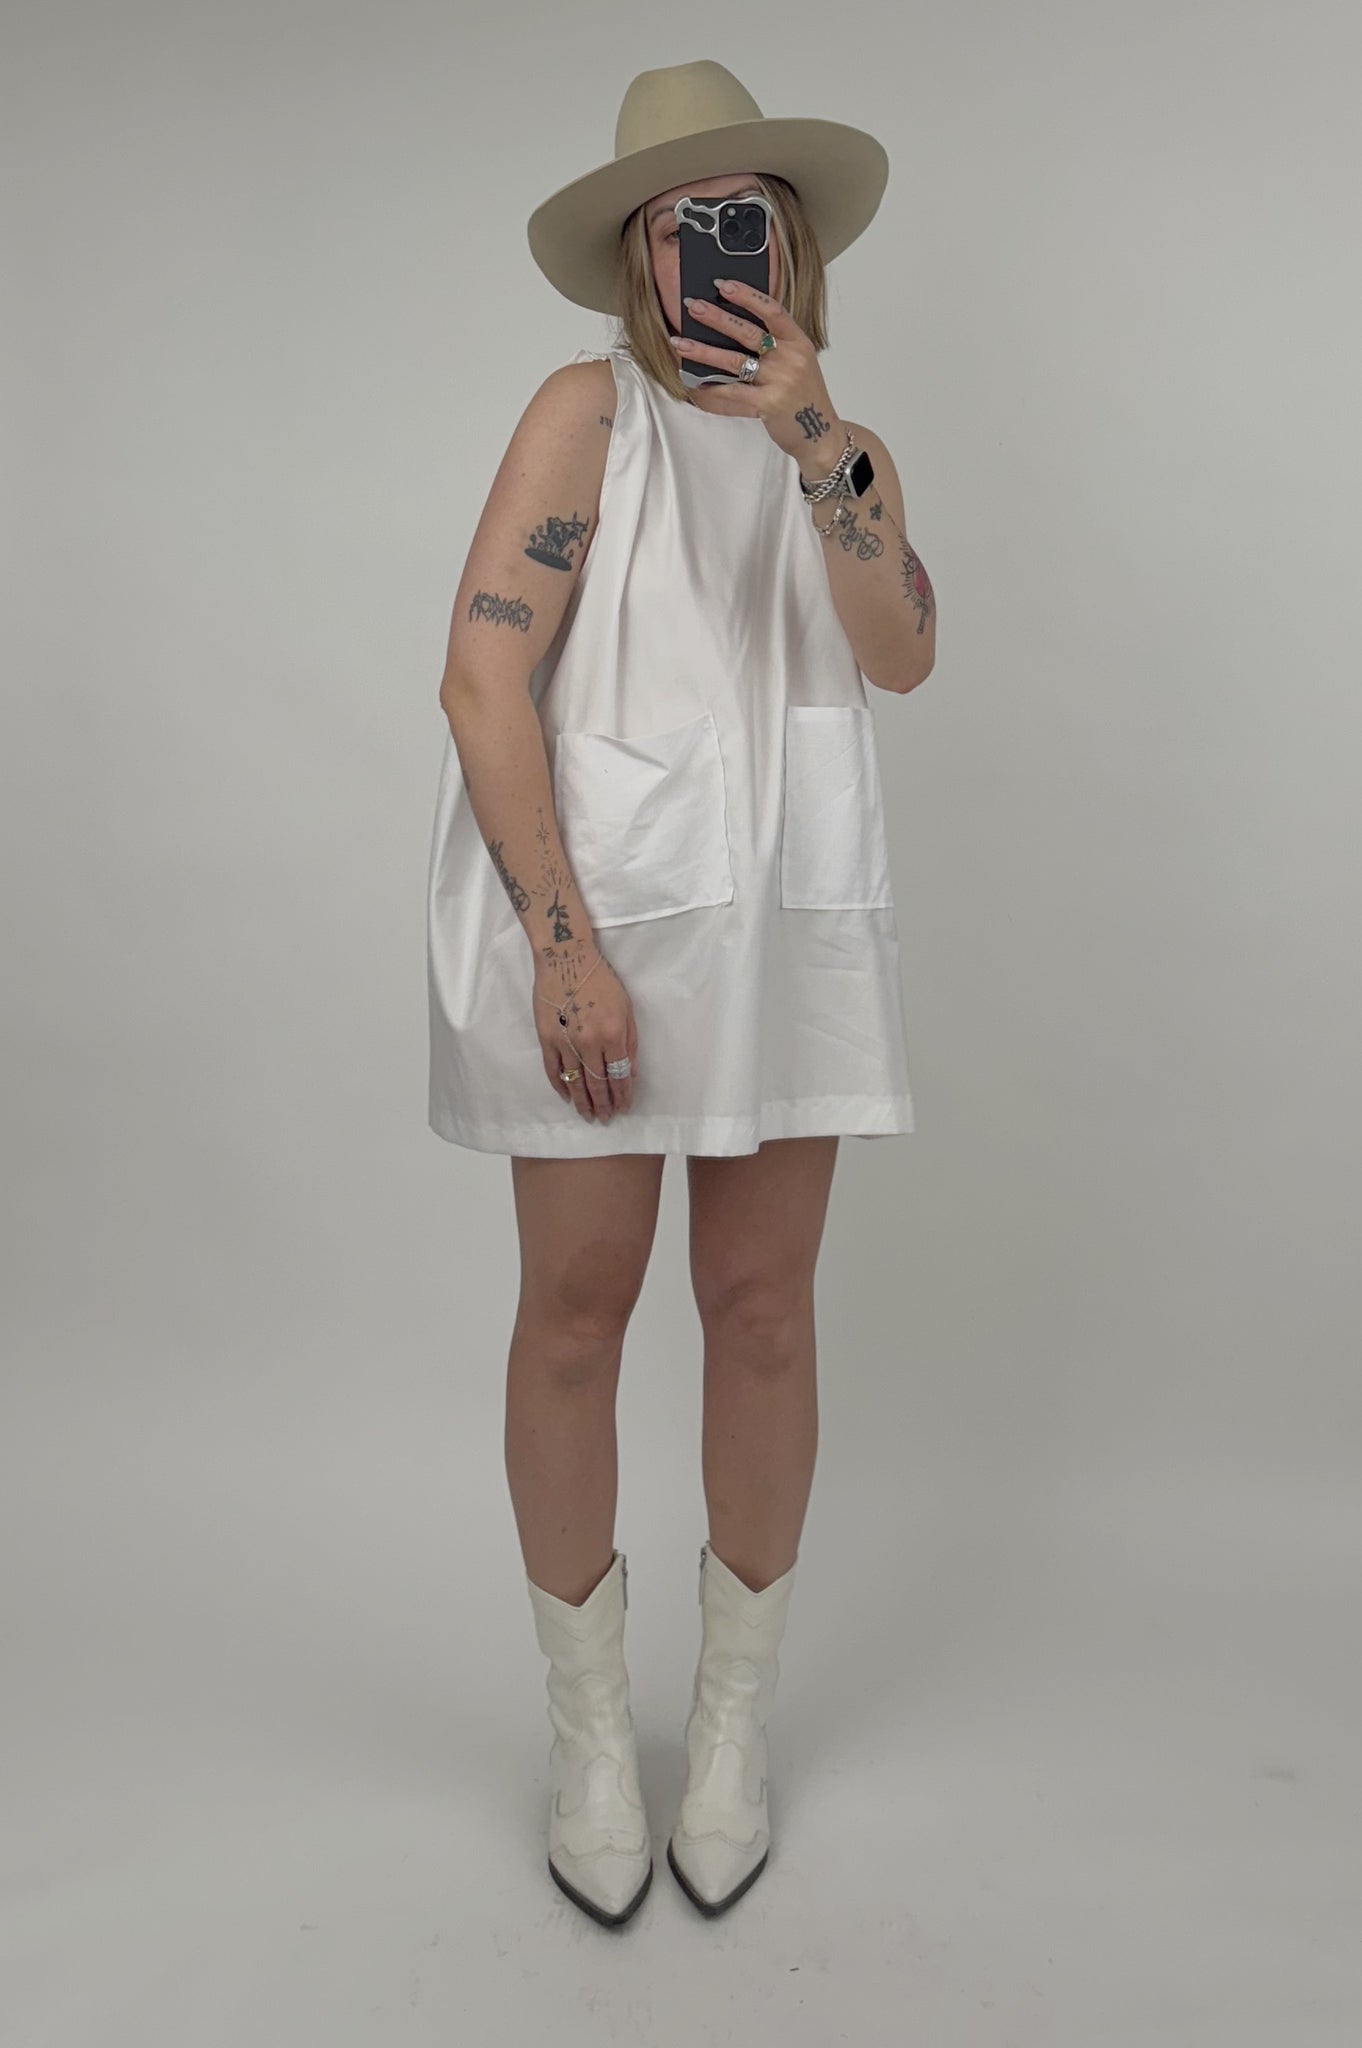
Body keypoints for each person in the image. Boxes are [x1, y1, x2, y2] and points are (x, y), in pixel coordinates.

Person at [426, 59, 936, 1927]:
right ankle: (587, 1735)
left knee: (764, 1313)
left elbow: (901, 654)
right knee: (576, 1312)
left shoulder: (842, 449)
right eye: (671, 224)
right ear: (634, 257)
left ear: (786, 241)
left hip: (782, 923)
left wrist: (816, 443)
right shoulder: (587, 416)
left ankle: (727, 1728)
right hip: (604, 920)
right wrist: (563, 947)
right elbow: (483, 679)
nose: (705, 249)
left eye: (739, 218)